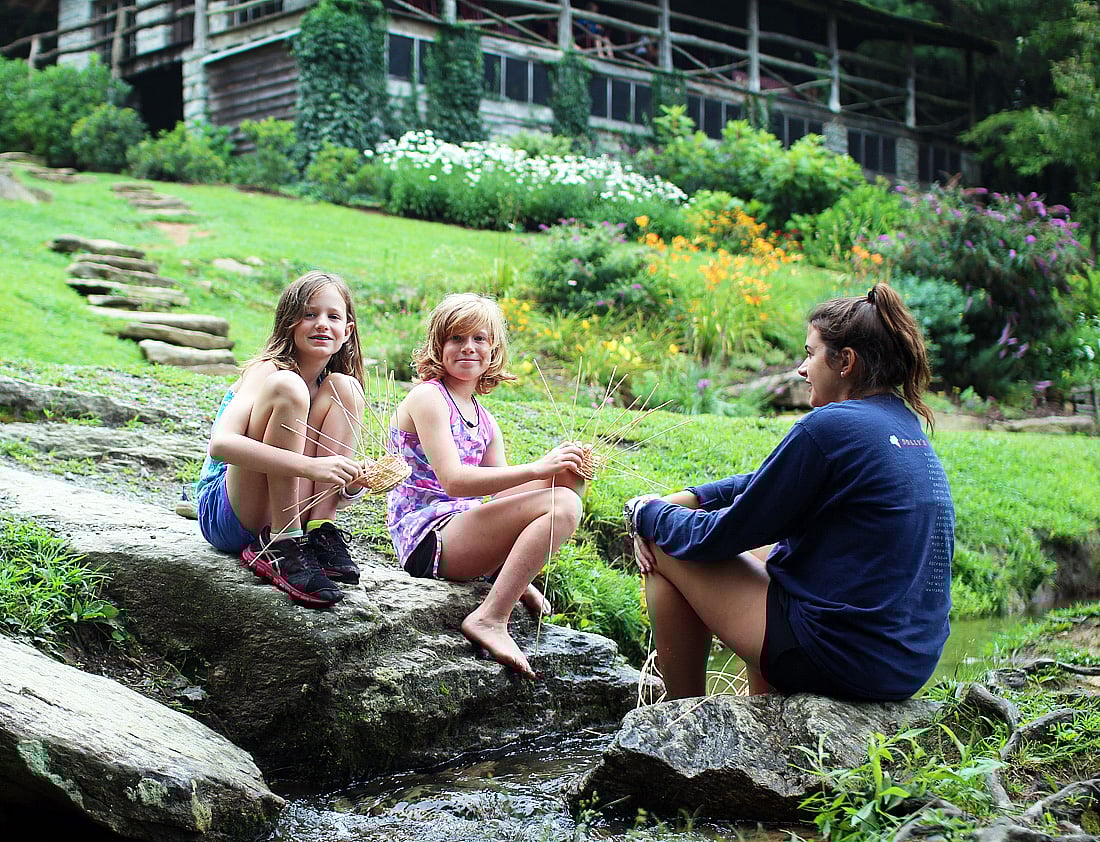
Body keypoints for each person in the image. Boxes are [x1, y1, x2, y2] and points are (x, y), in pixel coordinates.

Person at [624, 283, 954, 701]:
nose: (801, 369)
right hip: (905, 665)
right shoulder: (902, 424)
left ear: (845, 362)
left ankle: (681, 714)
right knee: (770, 556)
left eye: (810, 354)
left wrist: (644, 513)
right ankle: (761, 711)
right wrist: (695, 497)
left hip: (842, 661)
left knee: (666, 545)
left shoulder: (831, 426)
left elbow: (719, 536)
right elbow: (772, 483)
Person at [387, 293, 586, 679]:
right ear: (438, 346)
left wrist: (557, 468)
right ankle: (491, 618)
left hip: (462, 528)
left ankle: (509, 576)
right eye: (456, 338)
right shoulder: (428, 397)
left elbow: (500, 493)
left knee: (567, 478)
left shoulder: (484, 418)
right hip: (429, 539)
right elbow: (454, 481)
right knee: (562, 504)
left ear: (493, 350)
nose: (468, 347)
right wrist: (536, 468)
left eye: (479, 339)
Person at [198, 270, 369, 608]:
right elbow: (221, 445)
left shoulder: (332, 389)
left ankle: (319, 533)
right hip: (230, 512)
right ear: (288, 322)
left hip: (291, 514)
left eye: (333, 317)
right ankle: (282, 543)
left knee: (347, 387)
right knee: (289, 386)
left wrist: (352, 484)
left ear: (347, 330)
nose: (322, 324)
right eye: (310, 314)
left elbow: (328, 490)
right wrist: (310, 466)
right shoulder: (269, 371)